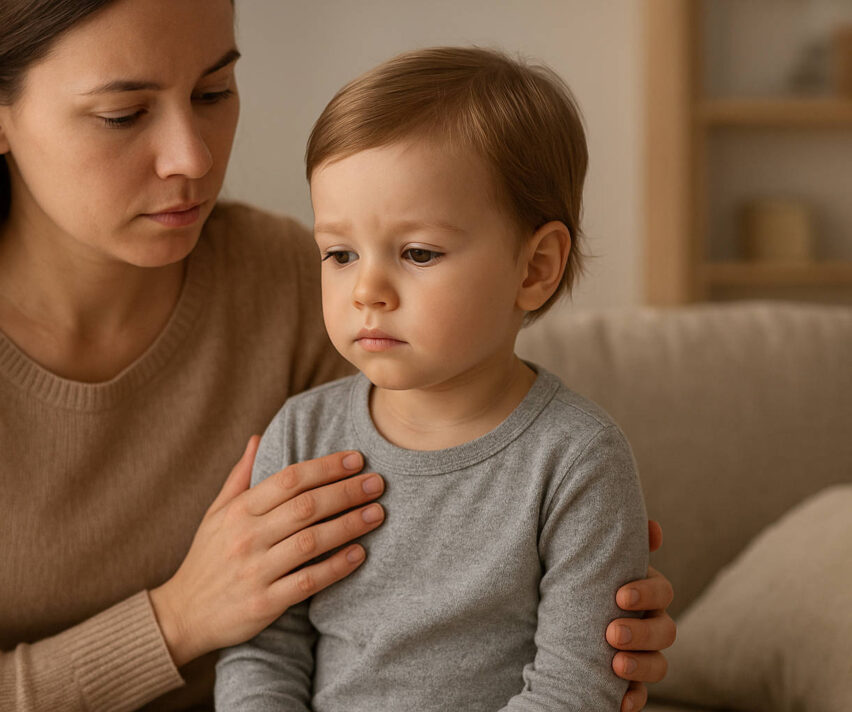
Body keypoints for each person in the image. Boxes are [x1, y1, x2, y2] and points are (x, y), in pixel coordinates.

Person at [0, 2, 675, 711]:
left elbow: (412, 554)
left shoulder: (294, 279)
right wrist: (180, 617)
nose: (192, 157)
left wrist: (586, 617)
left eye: (214, 93)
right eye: (124, 112)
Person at [216, 48, 651, 710]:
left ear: (535, 268)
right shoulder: (301, 435)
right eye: (340, 253)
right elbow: (262, 652)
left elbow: (575, 684)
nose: (367, 290)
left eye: (418, 253)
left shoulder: (579, 458)